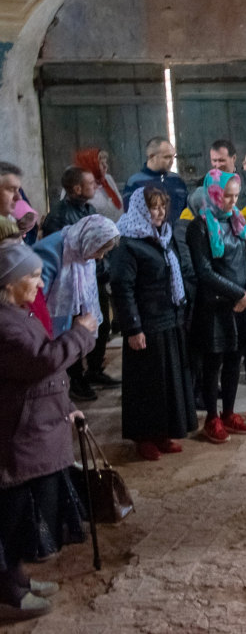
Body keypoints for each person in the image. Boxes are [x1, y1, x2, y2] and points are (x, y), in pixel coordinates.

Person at [0, 241, 98, 621]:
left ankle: (18, 581)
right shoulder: (6, 326)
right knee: (10, 519)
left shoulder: (16, 313)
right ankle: (10, 592)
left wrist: (67, 408)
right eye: (34, 276)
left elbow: (42, 374)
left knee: (22, 514)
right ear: (10, 282)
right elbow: (44, 361)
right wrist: (82, 333)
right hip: (18, 437)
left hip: (35, 429)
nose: (40, 285)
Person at [110, 188, 197, 461]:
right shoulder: (128, 243)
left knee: (169, 380)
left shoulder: (165, 236)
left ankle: (164, 432)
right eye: (153, 208)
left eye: (162, 207)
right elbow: (122, 288)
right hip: (146, 325)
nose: (159, 213)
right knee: (147, 385)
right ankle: (144, 437)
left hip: (169, 320)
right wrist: (133, 328)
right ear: (139, 210)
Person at [186, 170, 246, 444]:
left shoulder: (238, 221)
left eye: (236, 196)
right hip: (215, 306)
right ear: (213, 193)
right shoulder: (200, 226)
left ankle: (229, 412)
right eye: (226, 196)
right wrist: (239, 294)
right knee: (213, 363)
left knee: (234, 360)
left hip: (242, 304)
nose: (231, 201)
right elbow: (204, 272)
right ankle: (212, 418)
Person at [45, 214, 120, 402]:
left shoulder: (80, 248)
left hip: (72, 314)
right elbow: (40, 292)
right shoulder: (53, 250)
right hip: (51, 315)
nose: (101, 256)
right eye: (100, 250)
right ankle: (73, 380)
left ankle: (82, 376)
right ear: (91, 240)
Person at [122, 137, 188, 223]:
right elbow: (131, 215)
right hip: (149, 234)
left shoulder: (177, 180)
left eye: (173, 157)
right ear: (152, 157)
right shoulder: (135, 182)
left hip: (178, 233)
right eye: (167, 157)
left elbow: (187, 210)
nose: (172, 161)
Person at [42, 166, 97, 236]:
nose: (95, 186)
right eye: (91, 183)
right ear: (77, 189)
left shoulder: (89, 209)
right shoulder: (58, 217)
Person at [207, 139, 246, 209]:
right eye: (214, 160)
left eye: (221, 160)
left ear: (234, 158)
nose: (217, 165)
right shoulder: (204, 183)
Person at [73, 147, 122, 222]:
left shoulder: (107, 179)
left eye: (106, 162)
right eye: (101, 163)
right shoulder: (77, 186)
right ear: (90, 165)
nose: (106, 166)